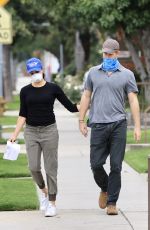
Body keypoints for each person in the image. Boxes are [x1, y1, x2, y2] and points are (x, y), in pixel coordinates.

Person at [9, 57, 79, 217]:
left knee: (51, 169)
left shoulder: (53, 88)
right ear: (29, 73)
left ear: (42, 70)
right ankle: (43, 191)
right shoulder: (25, 91)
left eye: (37, 71)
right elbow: (22, 114)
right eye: (32, 72)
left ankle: (52, 203)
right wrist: (14, 134)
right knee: (33, 167)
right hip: (31, 132)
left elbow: (70, 107)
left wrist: (85, 105)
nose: (35, 74)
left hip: (50, 132)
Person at [79, 38, 141, 215]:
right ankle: (105, 188)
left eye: (110, 54)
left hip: (118, 125)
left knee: (116, 165)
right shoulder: (92, 73)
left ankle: (112, 202)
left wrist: (137, 126)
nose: (107, 56)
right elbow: (86, 96)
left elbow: (133, 100)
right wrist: (81, 121)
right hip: (98, 124)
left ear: (117, 54)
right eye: (104, 53)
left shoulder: (127, 74)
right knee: (96, 164)